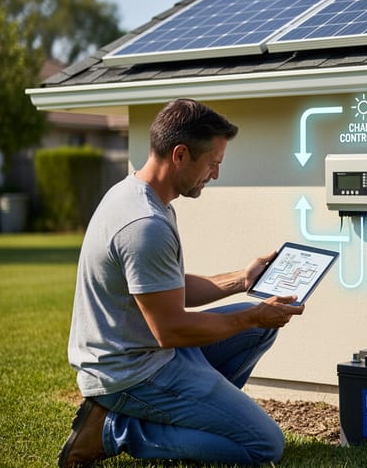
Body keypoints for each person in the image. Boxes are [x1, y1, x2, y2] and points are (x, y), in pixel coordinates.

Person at [58, 98, 304, 467]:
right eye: (212, 164)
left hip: (149, 352)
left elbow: (164, 290)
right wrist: (253, 315)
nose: (215, 174)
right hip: (132, 373)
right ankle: (116, 428)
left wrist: (243, 279)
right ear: (180, 155)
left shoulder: (137, 195)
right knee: (265, 446)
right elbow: (170, 329)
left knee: (260, 332)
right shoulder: (145, 224)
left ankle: (192, 421)